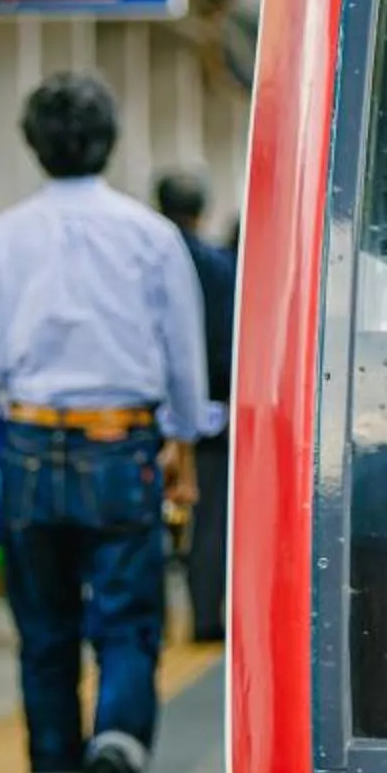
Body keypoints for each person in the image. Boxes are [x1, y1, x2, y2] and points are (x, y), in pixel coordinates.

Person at [0, 74, 209, 773]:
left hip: (29, 446)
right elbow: (184, 364)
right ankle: (119, 747)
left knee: (44, 632)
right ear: (110, 141)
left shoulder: (4, 238)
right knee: (129, 624)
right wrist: (186, 446)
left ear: (34, 145)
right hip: (122, 445)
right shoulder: (150, 236)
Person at [154, 169, 238, 643]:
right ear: (201, 212)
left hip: (142, 413)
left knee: (144, 519)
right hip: (210, 412)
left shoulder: (141, 257)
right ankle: (205, 616)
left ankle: (155, 618)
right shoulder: (220, 265)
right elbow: (228, 340)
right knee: (208, 521)